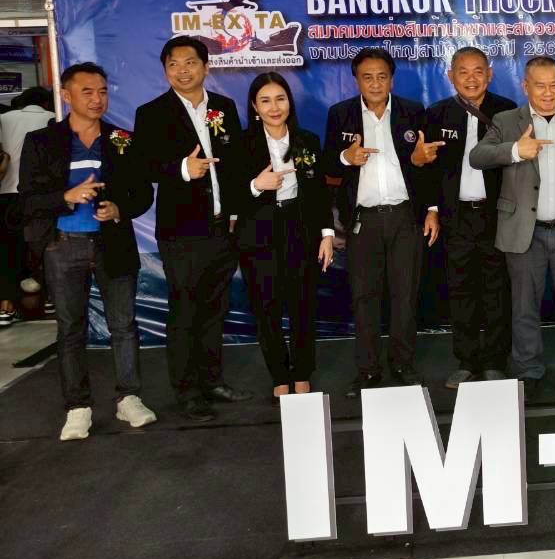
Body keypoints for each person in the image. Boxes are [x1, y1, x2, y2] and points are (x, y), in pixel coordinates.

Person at [20, 64, 156, 439]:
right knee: (70, 329)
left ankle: (129, 397)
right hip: (63, 246)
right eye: (88, 92)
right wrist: (66, 196)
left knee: (123, 325)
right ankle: (77, 407)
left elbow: (143, 193)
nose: (97, 99)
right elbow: (27, 200)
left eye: (102, 92)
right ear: (66, 96)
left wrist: (119, 209)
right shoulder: (42, 141)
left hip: (112, 244)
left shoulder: (121, 139)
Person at [470, 56, 555, 400]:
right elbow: (477, 157)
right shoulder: (506, 120)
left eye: (554, 85)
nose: (548, 92)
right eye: (540, 85)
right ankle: (529, 371)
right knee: (524, 307)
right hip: (523, 232)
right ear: (525, 86)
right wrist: (516, 150)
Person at [134, 36, 249, 421]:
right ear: (165, 70)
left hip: (222, 227)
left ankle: (212, 380)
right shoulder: (152, 113)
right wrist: (183, 168)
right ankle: (187, 390)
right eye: (173, 64)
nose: (182, 71)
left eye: (190, 62)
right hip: (181, 232)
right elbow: (145, 165)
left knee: (216, 309)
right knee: (185, 310)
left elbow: (235, 163)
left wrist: (236, 212)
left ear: (205, 66)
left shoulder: (223, 107)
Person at [322, 47, 429, 397]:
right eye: (367, 77)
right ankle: (368, 370)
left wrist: (430, 206)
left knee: (405, 295)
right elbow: (327, 166)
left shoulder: (413, 112)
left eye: (382, 76)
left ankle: (403, 364)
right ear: (356, 80)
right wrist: (345, 157)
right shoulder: (341, 114)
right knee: (364, 297)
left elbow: (426, 166)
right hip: (362, 221)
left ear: (392, 79)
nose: (375, 83)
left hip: (404, 217)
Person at [418, 47, 517, 388]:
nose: (471, 78)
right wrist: (432, 209)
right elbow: (428, 171)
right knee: (460, 290)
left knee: (497, 290)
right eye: (463, 71)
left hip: (496, 214)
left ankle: (495, 361)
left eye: (478, 71)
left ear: (490, 74)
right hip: (456, 217)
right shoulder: (437, 114)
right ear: (451, 76)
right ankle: (467, 360)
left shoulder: (507, 111)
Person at [238, 72, 335, 400]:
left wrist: (326, 234)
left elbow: (319, 192)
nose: (274, 107)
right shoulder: (242, 144)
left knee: (302, 305)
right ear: (255, 107)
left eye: (280, 98)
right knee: (266, 308)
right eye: (265, 101)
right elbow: (230, 194)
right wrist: (256, 185)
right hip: (259, 232)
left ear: (289, 102)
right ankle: (279, 375)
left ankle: (302, 372)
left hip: (301, 229)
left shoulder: (308, 140)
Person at [0, 86, 56, 323]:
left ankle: (6, 306)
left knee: (7, 250)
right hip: (40, 197)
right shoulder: (53, 117)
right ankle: (51, 298)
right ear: (47, 103)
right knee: (45, 247)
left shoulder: (4, 119)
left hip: (6, 194)